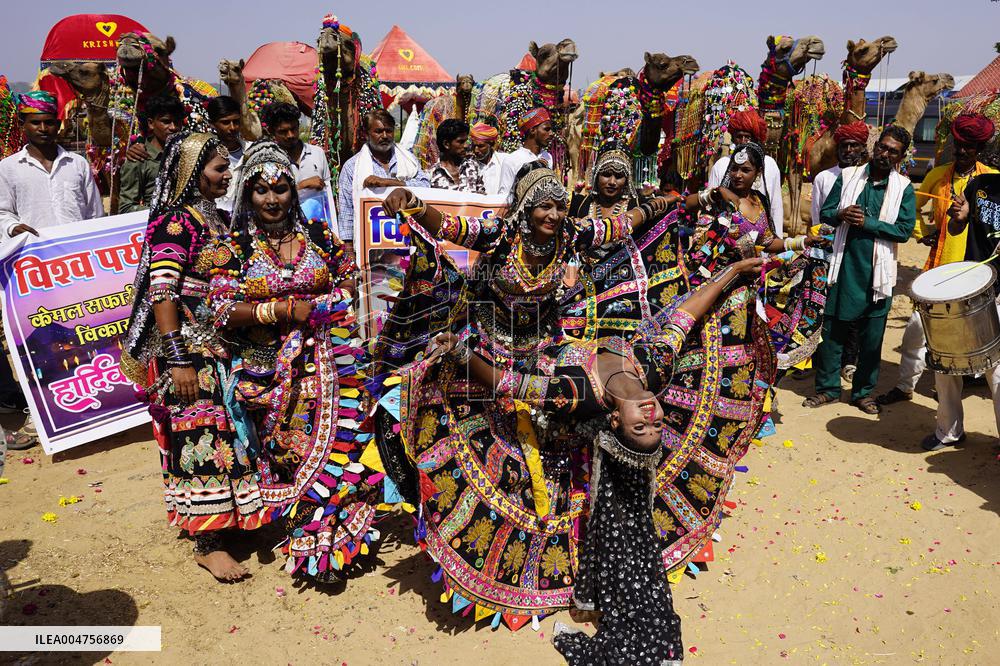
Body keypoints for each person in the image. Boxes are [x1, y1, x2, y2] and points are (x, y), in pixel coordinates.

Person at [207, 141, 381, 581]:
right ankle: (306, 541)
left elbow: (351, 280)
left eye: (282, 189)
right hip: (269, 370)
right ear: (247, 194)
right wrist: (283, 311)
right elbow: (221, 308)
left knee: (342, 450)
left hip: (332, 360)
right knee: (290, 453)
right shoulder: (235, 247)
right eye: (262, 192)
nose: (272, 199)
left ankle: (341, 542)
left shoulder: (319, 235)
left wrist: (323, 306)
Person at [120, 132, 265, 582]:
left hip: (222, 347)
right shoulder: (176, 225)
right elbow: (163, 291)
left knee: (233, 434)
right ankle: (208, 542)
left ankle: (234, 518)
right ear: (191, 173)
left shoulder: (216, 219)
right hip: (190, 351)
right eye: (219, 169)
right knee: (199, 439)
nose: (227, 176)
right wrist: (178, 357)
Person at [0, 90, 104, 450]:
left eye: (49, 121)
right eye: (36, 122)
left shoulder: (76, 164)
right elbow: (1, 213)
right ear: (24, 124)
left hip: (79, 272)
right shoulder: (8, 168)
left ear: (59, 123)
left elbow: (94, 216)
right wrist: (15, 229)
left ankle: (100, 404)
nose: (44, 128)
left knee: (88, 334)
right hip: (34, 276)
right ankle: (41, 415)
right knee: (41, 344)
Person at [878, 114, 998, 406]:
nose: (961, 151)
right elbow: (911, 207)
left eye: (968, 146)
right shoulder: (936, 175)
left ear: (979, 149)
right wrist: (923, 232)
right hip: (939, 271)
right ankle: (906, 386)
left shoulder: (991, 181)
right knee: (916, 333)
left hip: (976, 276)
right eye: (958, 144)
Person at [804, 126, 916, 415]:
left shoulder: (903, 187)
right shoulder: (849, 176)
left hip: (878, 274)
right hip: (843, 266)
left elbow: (904, 231)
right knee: (833, 332)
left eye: (893, 151)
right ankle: (827, 389)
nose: (885, 154)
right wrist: (841, 214)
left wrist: (868, 224)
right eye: (883, 147)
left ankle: (863, 393)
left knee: (871, 337)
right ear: (875, 145)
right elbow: (827, 214)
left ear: (900, 156)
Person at [811, 120, 871, 383]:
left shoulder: (870, 178)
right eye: (844, 145)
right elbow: (818, 218)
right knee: (825, 309)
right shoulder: (824, 178)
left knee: (856, 309)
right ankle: (820, 361)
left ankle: (850, 360)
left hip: (858, 254)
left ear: (862, 148)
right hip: (828, 252)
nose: (848, 150)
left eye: (853, 145)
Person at [336, 109, 429, 250]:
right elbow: (346, 212)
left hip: (410, 240)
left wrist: (389, 182)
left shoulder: (408, 160)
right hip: (373, 243)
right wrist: (349, 250)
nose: (385, 136)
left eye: (389, 131)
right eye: (378, 131)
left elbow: (426, 186)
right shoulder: (353, 167)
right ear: (367, 134)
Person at [706, 110, 784, 236]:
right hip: (726, 240)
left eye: (748, 137)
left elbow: (775, 206)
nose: (743, 141)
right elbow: (710, 202)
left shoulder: (769, 164)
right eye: (739, 136)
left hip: (763, 240)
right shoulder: (721, 165)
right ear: (733, 137)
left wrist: (778, 239)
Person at [119, 94, 185, 213]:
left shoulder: (187, 152)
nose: (173, 127)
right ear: (151, 123)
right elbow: (126, 208)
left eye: (177, 122)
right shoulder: (139, 158)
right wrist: (165, 213)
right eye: (166, 121)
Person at [261, 102, 329, 201]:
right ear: (271, 132)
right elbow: (271, 197)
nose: (290, 135)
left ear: (298, 125)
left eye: (293, 129)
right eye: (283, 131)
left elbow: (328, 191)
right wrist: (302, 185)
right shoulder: (270, 160)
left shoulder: (317, 153)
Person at [496, 107, 554, 198]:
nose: (551, 133)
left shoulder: (548, 157)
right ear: (532, 130)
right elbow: (504, 196)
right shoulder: (512, 159)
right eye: (546, 129)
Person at [206, 95, 246, 212]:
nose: (232, 127)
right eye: (225, 122)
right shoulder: (204, 155)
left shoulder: (251, 151)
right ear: (212, 124)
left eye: (236, 122)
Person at [429, 119, 484, 193]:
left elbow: (481, 194)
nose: (466, 145)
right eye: (461, 142)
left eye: (466, 141)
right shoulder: (432, 175)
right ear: (446, 144)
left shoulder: (472, 166)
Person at [470, 122, 506, 195]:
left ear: (491, 144)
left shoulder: (504, 161)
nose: (476, 150)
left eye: (481, 146)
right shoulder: (469, 165)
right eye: (474, 146)